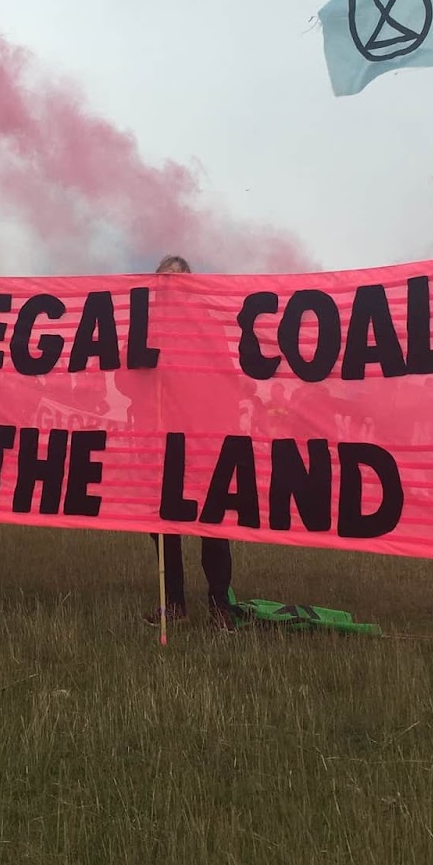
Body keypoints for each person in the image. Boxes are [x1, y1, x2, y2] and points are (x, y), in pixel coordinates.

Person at [118, 254, 237, 631]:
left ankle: (220, 604)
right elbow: (123, 380)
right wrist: (143, 372)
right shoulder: (145, 328)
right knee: (163, 524)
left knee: (211, 523)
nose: (169, 287)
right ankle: (173, 603)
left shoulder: (207, 327)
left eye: (176, 280)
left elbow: (225, 378)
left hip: (201, 438)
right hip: (157, 439)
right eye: (163, 281)